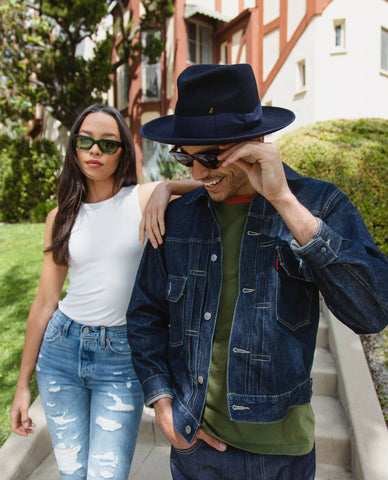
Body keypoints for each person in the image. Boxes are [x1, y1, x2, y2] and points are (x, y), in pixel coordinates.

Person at [126, 64, 388, 480]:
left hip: (281, 454)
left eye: (210, 157)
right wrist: (161, 403)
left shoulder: (317, 205)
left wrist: (282, 198)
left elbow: (371, 311)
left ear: (257, 142)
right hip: (195, 449)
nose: (196, 173)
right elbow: (144, 316)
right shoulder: (177, 219)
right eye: (185, 157)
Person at [9, 104, 200, 480]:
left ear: (123, 152)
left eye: (107, 144)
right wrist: (22, 387)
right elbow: (46, 299)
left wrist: (166, 187)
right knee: (72, 473)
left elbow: (211, 187)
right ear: (75, 148)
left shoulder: (141, 199)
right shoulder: (60, 216)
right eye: (86, 141)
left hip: (122, 357)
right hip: (61, 353)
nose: (95, 150)